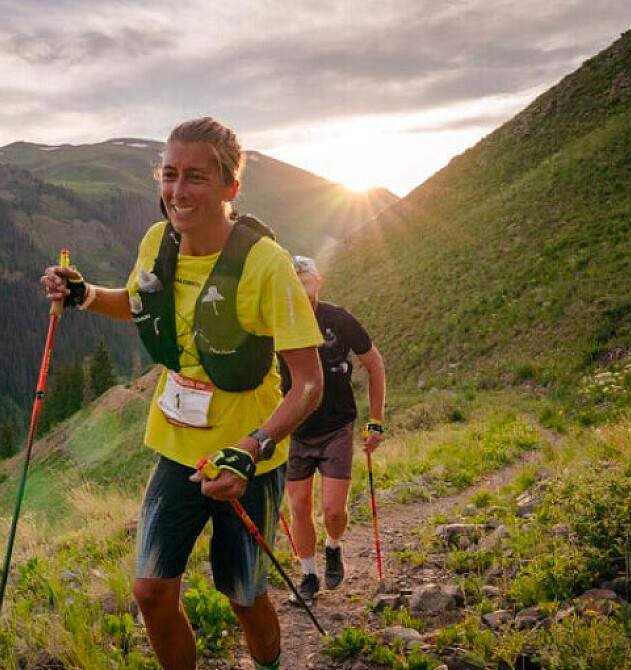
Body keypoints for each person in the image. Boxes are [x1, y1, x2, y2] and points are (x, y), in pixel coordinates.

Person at [40, 117, 323, 670]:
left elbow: (309, 384)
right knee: (151, 593)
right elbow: (139, 304)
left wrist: (251, 449)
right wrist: (84, 294)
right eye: (169, 175)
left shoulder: (266, 263)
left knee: (243, 597)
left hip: (247, 459)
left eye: (195, 177)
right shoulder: (157, 241)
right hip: (177, 449)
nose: (177, 191)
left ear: (230, 186)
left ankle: (269, 665)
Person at [280, 255, 386, 603]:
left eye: (305, 280)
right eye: (294, 281)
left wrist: (376, 420)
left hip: (338, 425)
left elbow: (375, 365)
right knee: (298, 506)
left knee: (333, 510)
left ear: (318, 281)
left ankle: (333, 545)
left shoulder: (338, 319)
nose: (300, 287)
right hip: (296, 429)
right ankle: (308, 575)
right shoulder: (278, 323)